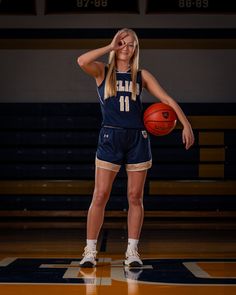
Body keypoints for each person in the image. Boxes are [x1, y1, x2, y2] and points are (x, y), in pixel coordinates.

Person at [77, 28, 194, 268]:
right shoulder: (103, 72)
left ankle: (132, 251)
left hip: (137, 138)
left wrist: (186, 125)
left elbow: (167, 100)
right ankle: (89, 250)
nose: (126, 48)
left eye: (131, 45)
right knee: (100, 195)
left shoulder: (141, 75)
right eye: (122, 43)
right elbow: (82, 60)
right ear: (116, 45)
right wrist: (110, 46)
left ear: (136, 49)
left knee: (135, 197)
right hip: (110, 136)